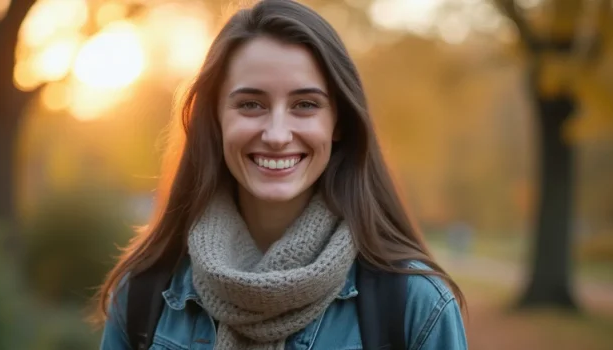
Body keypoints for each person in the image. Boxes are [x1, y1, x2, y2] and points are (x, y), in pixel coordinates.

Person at [95, 0, 467, 349]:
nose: (276, 135)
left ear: (337, 122)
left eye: (305, 105)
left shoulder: (416, 307)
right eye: (251, 104)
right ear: (216, 119)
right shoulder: (144, 295)